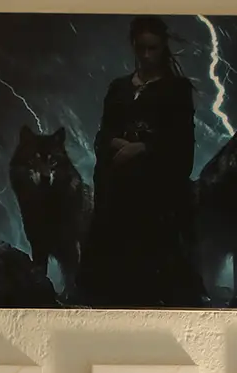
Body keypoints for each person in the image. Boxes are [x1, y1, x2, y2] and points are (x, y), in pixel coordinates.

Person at [80, 16, 203, 307]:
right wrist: (115, 143)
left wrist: (143, 148)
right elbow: (104, 130)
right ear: (133, 46)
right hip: (116, 195)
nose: (147, 56)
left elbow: (182, 144)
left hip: (154, 198)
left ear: (162, 48)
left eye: (153, 49)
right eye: (141, 49)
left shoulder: (176, 90)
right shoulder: (119, 88)